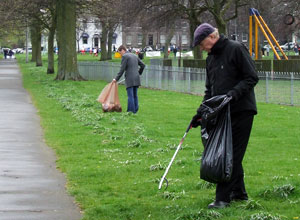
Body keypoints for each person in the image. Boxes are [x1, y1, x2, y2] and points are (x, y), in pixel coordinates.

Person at [191, 23, 259, 209]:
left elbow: (251, 77)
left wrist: (232, 94)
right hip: (222, 113)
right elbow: (209, 91)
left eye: (202, 44)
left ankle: (223, 198)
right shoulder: (210, 59)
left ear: (212, 37)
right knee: (231, 152)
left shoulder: (236, 49)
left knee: (231, 154)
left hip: (242, 110)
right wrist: (200, 113)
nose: (202, 48)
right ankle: (239, 193)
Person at [113, 45, 145, 113]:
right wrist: (139, 73)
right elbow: (143, 65)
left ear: (123, 50)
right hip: (136, 78)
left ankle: (130, 111)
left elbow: (122, 69)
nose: (120, 54)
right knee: (135, 95)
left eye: (120, 52)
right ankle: (135, 110)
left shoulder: (125, 56)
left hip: (130, 79)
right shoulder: (134, 55)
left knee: (130, 96)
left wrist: (116, 79)